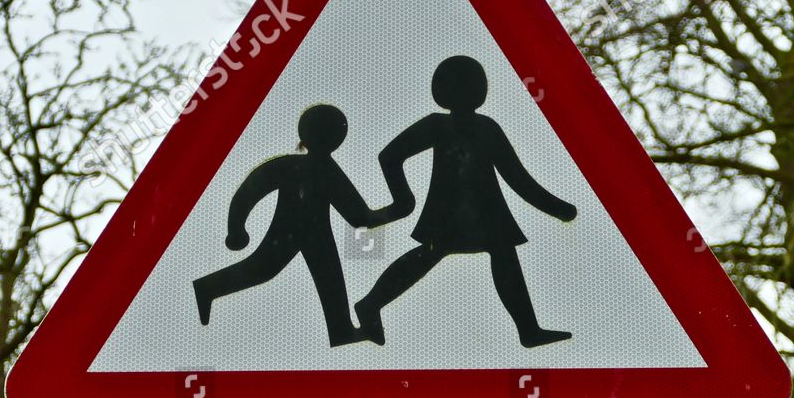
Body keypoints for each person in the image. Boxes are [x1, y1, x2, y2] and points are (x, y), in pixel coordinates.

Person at [355, 55, 577, 347]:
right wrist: (403, 200)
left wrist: (557, 208)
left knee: (493, 254)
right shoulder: (441, 125)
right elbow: (390, 157)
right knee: (444, 253)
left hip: (483, 209)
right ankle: (370, 304)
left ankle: (528, 330)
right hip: (453, 209)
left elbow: (517, 177)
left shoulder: (485, 127)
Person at [194, 104, 391, 346]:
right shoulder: (320, 169)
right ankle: (207, 287)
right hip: (298, 232)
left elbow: (248, 191)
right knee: (270, 269)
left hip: (309, 232)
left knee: (316, 276)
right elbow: (359, 217)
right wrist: (397, 209)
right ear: (338, 138)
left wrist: (236, 229)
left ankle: (342, 329)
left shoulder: (296, 166)